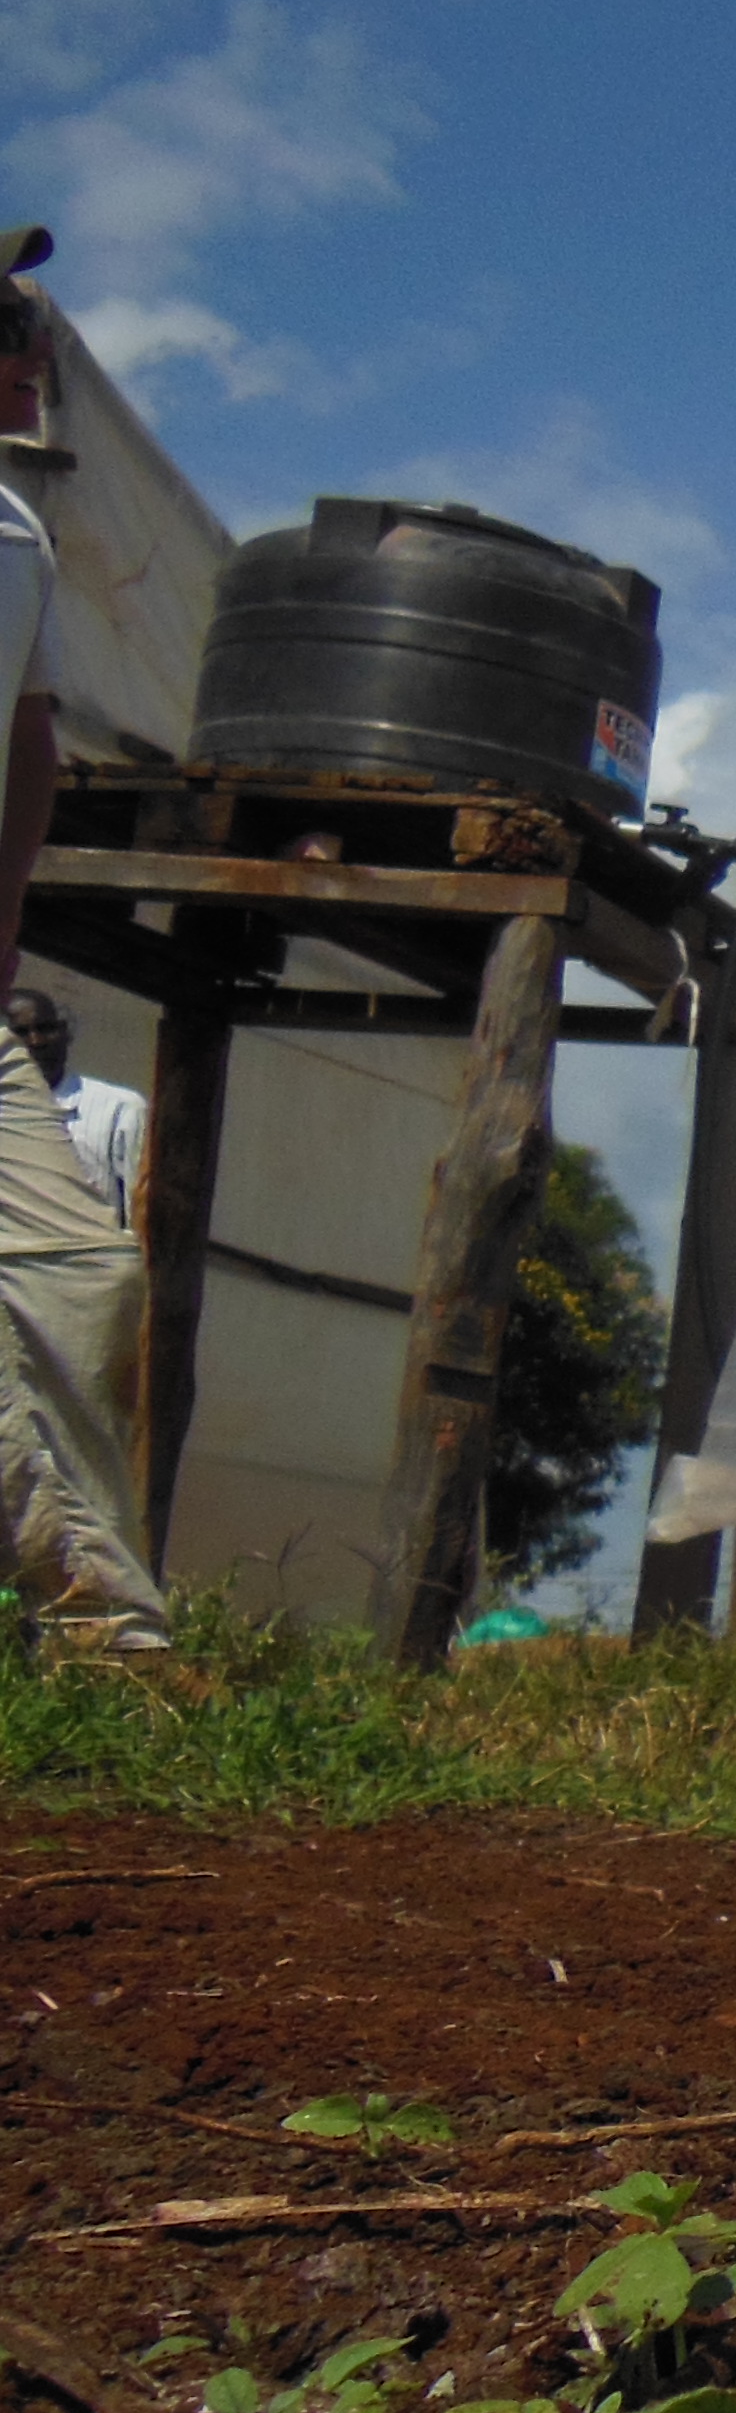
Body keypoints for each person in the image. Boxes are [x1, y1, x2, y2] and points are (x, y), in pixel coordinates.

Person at [0, 229, 171, 1659]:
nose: (29, 361)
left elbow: (30, 754)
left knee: (78, 1272)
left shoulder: (18, 539)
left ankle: (88, 1625)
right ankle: (107, 1631)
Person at [1, 993, 142, 1227]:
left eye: (46, 1029)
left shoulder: (120, 1110)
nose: (35, 1041)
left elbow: (140, 1216)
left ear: (65, 1033)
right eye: (21, 1033)